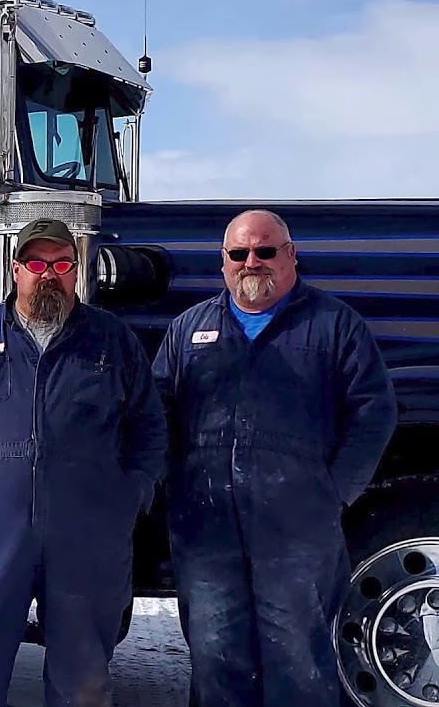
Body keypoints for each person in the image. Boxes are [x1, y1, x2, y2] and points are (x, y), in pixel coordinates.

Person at [152, 209, 397, 706]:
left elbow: (375, 412)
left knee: (299, 663)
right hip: (206, 529)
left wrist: (333, 492)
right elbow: (156, 414)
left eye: (265, 251)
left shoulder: (333, 325)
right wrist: (169, 485)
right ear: (222, 263)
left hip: (298, 531)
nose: (251, 262)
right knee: (216, 658)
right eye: (239, 253)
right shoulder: (188, 330)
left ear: (291, 256)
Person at [0, 217, 167, 707]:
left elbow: (149, 425)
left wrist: (131, 494)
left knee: (83, 678)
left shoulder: (110, 340)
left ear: (76, 270)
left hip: (86, 536)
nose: (47, 273)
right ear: (16, 269)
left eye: (60, 263)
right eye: (36, 262)